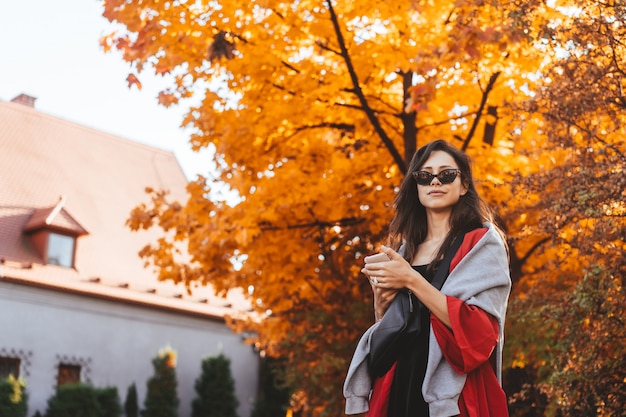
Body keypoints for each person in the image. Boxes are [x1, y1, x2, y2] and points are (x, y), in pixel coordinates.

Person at [343, 139, 511, 417]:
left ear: (464, 185)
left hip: (452, 393)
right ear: (416, 186)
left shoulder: (482, 243)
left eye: (446, 175)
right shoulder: (405, 250)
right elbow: (394, 325)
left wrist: (411, 280)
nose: (435, 182)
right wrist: (381, 303)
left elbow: (481, 333)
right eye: (424, 176)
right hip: (399, 381)